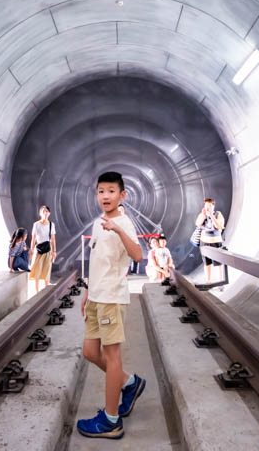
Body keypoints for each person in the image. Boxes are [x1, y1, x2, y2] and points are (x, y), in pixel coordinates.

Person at [77, 172, 147, 439]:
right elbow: (98, 260)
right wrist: (87, 290)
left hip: (111, 298)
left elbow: (138, 255)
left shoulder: (123, 223)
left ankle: (110, 420)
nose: (105, 196)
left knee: (113, 356)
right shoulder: (99, 222)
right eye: (100, 191)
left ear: (122, 195)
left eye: (110, 191)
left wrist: (118, 229)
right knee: (90, 352)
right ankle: (130, 383)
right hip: (96, 296)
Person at [195, 198, 225, 283]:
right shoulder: (202, 215)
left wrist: (212, 216)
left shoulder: (218, 214)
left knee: (219, 262)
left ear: (213, 206)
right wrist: (204, 216)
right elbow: (198, 224)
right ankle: (208, 281)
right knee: (206, 263)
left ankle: (221, 281)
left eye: (209, 205)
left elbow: (219, 226)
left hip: (215, 242)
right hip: (204, 242)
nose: (207, 207)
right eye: (206, 205)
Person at [29, 205, 56, 292]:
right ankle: (37, 291)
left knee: (47, 269)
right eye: (43, 211)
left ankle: (45, 290)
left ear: (49, 213)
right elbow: (33, 238)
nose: (45, 213)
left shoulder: (51, 225)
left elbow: (53, 239)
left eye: (47, 211)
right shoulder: (36, 224)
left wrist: (54, 251)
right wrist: (31, 249)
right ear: (40, 213)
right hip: (39, 249)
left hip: (48, 249)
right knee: (37, 269)